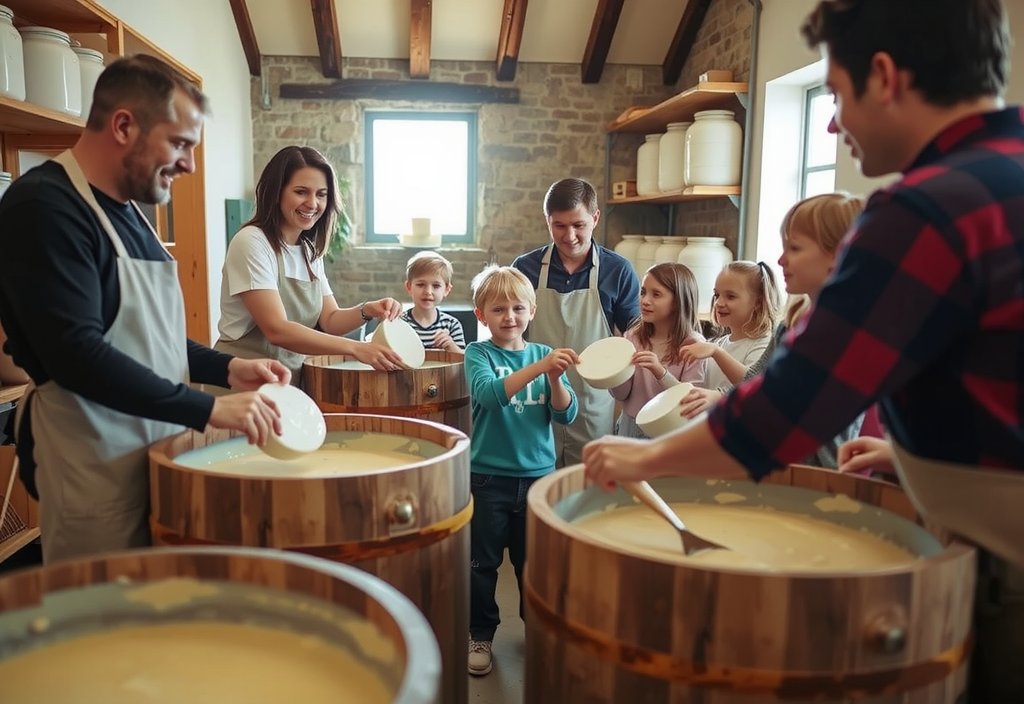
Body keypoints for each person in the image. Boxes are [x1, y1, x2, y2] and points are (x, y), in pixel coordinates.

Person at [583, 1, 1023, 699]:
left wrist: (648, 457)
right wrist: (912, 456)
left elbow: (790, 409)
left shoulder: (924, 211)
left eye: (839, 95)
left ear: (883, 77)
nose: (831, 122)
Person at [0, 55, 288, 563]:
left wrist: (227, 367)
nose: (190, 165)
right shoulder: (43, 207)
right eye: (179, 144)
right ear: (124, 125)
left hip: (155, 452)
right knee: (103, 626)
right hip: (94, 464)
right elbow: (75, 353)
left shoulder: (133, 212)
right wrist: (209, 406)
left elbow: (143, 336)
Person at [681, 193, 868, 468]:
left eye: (794, 248)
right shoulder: (791, 325)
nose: (780, 260)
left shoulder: (848, 334)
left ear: (838, 254)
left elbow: (773, 405)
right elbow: (753, 382)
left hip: (820, 473)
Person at [463, 266, 578, 677]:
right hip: (488, 480)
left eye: (517, 308)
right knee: (482, 564)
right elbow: (490, 396)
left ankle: (540, 633)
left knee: (534, 566)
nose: (509, 317)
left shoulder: (541, 354)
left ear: (531, 310)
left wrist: (556, 379)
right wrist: (542, 367)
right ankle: (480, 635)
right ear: (481, 315)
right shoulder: (479, 355)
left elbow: (566, 413)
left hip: (537, 481)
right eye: (498, 309)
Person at [215, 145, 406, 376]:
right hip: (241, 383)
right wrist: (357, 348)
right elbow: (277, 329)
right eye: (301, 192)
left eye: (321, 194)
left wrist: (367, 310)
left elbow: (330, 320)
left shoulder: (308, 251)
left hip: (287, 384)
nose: (313, 203)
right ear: (276, 192)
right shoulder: (251, 242)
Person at [512, 178, 639, 466]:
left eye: (578, 225)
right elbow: (507, 336)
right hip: (536, 398)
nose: (569, 236)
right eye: (559, 226)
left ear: (595, 218)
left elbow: (636, 336)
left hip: (593, 401)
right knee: (537, 484)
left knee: (588, 487)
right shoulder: (524, 268)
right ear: (547, 221)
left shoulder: (617, 271)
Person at [609, 263, 707, 438]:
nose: (645, 300)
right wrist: (613, 373)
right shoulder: (633, 337)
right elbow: (622, 395)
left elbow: (690, 400)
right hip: (631, 425)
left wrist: (660, 372)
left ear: (678, 302)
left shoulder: (695, 346)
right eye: (643, 292)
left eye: (656, 294)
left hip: (670, 430)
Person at [678, 261, 780, 392]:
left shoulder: (763, 345)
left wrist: (716, 352)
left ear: (758, 303)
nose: (719, 303)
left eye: (730, 296)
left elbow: (752, 384)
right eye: (717, 295)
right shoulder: (719, 343)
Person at [401, 251, 466, 353]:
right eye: (421, 284)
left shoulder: (452, 324)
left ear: (446, 289)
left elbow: (463, 363)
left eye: (436, 286)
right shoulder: (401, 323)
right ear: (409, 287)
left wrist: (450, 345)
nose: (428, 292)